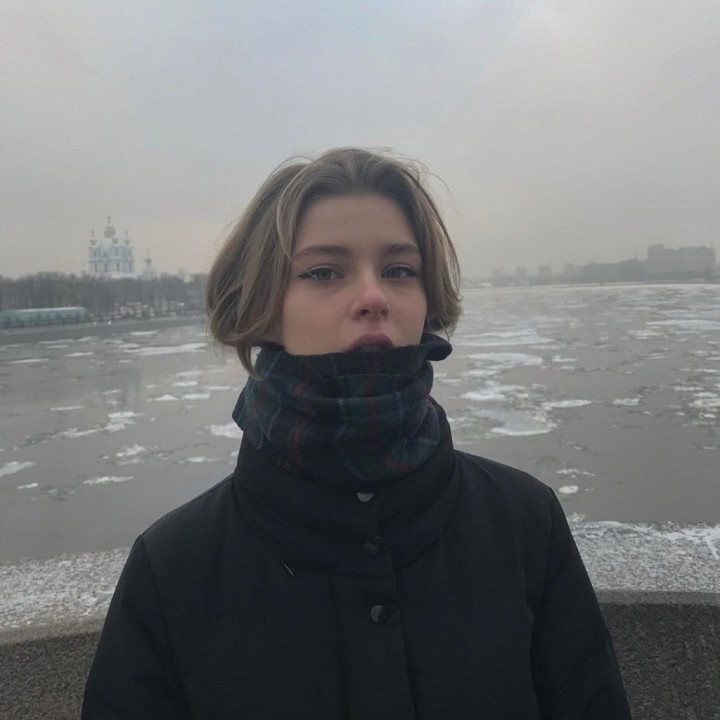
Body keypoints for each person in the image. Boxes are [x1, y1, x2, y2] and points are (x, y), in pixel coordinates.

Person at [82, 147, 633, 719]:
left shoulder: (524, 523)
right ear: (262, 305)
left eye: (399, 270)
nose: (373, 297)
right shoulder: (175, 567)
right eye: (324, 272)